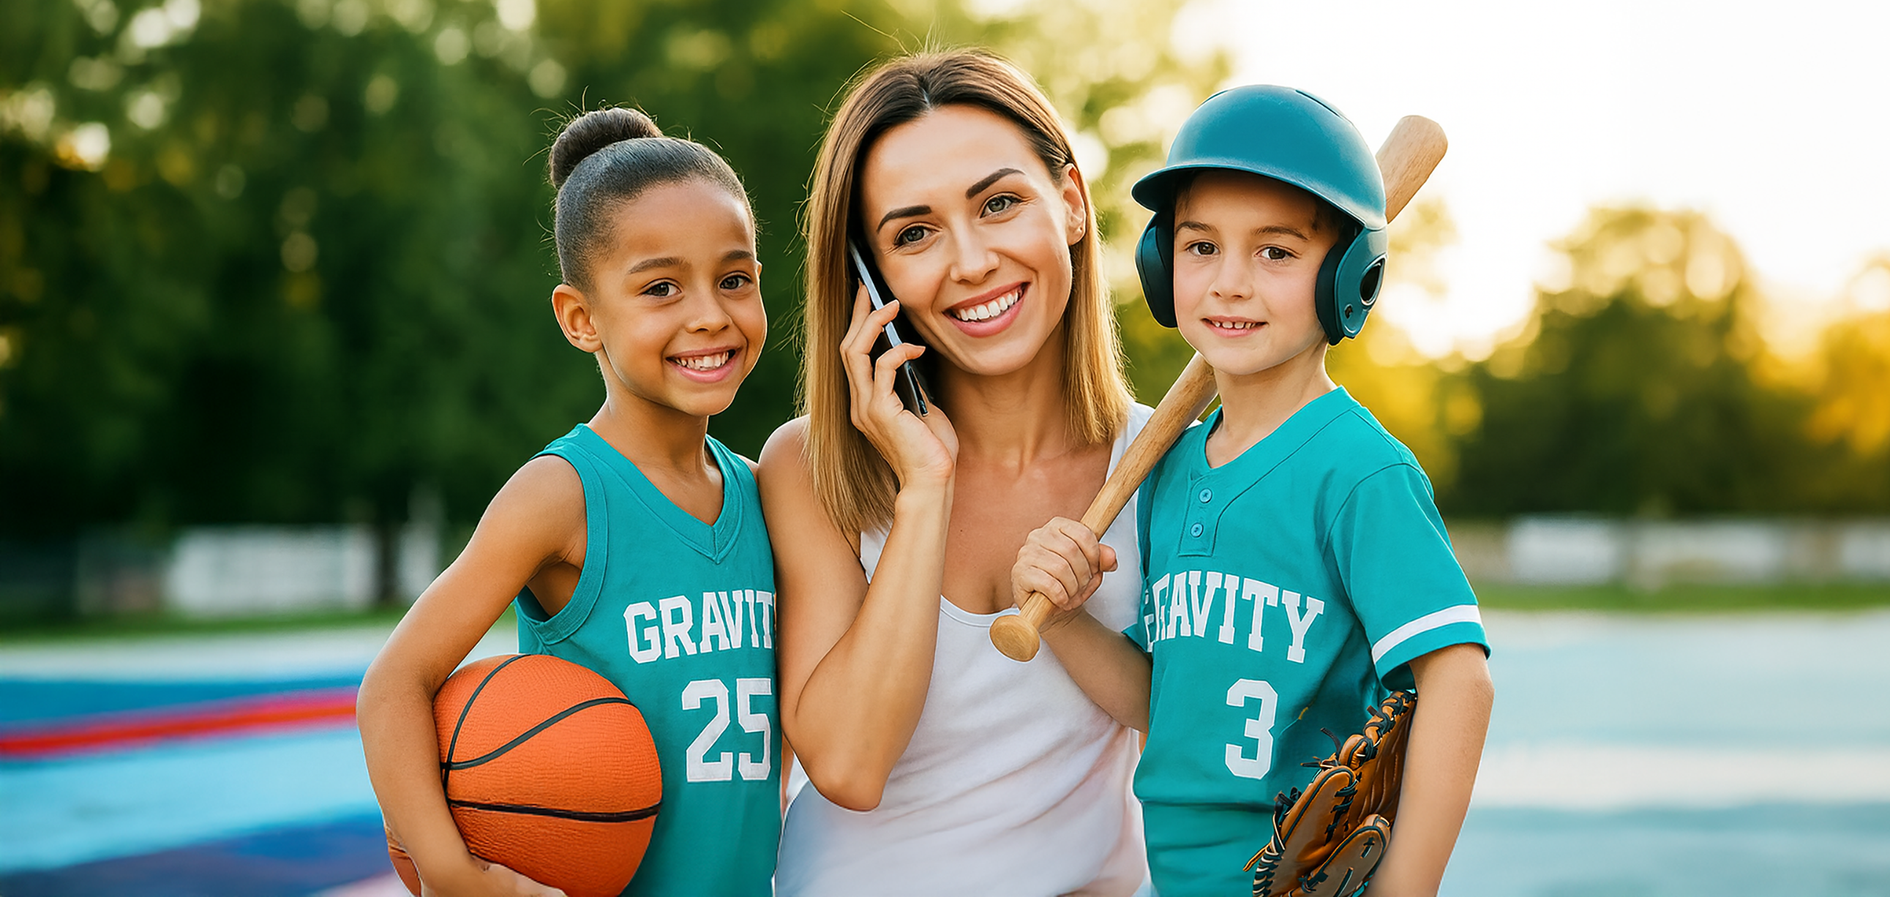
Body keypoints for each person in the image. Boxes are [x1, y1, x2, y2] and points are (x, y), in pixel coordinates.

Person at [1013, 85, 1495, 897]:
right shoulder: (1170, 469)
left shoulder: (1358, 472)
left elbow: (1459, 680)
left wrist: (1404, 889)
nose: (1229, 283)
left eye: (1275, 252)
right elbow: (1162, 702)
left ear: (1350, 274)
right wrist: (1062, 617)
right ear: (1163, 265)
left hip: (1304, 872)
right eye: (1201, 248)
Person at [357, 106, 781, 897]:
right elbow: (393, 683)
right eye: (661, 286)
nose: (709, 313)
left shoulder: (765, 493)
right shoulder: (563, 493)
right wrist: (452, 870)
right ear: (581, 318)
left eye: (735, 279)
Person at [756, 50, 1151, 895]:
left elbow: (1198, 735)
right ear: (871, 279)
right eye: (914, 233)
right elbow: (849, 765)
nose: (970, 262)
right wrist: (924, 487)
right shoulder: (811, 466)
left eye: (999, 203)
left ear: (1072, 203)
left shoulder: (1176, 466)